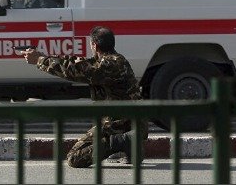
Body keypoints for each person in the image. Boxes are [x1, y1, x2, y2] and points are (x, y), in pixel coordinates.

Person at [22, 26, 147, 168]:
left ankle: (125, 140)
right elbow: (74, 63)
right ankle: (128, 145)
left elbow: (72, 71)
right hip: (132, 120)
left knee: (74, 158)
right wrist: (43, 57)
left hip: (122, 122)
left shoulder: (108, 64)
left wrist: (39, 60)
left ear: (94, 45)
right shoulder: (113, 60)